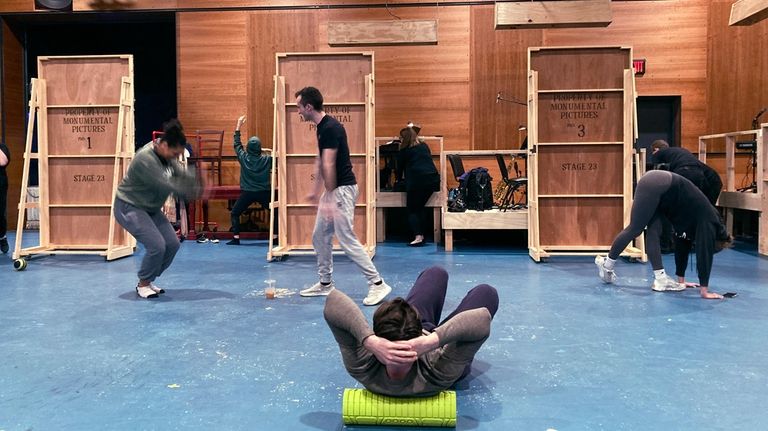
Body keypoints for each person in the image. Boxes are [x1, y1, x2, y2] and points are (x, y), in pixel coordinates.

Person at [324, 266, 498, 396]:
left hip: (419, 334)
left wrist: (369, 340)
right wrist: (432, 341)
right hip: (437, 349)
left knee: (435, 273)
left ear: (378, 335)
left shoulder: (362, 365)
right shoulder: (439, 371)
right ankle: (429, 332)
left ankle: (423, 330)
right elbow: (481, 318)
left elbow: (333, 300)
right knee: (486, 292)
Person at [295, 86, 391, 306]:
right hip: (334, 190)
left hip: (342, 190)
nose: (298, 111)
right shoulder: (322, 128)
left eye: (299, 107)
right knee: (320, 236)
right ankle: (325, 284)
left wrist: (328, 195)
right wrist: (314, 191)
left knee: (346, 238)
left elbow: (329, 164)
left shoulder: (330, 128)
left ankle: (377, 284)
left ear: (309, 107)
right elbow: (321, 161)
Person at [595, 170, 732, 299]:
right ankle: (607, 265)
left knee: (654, 231)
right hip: (657, 183)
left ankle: (661, 279)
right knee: (636, 228)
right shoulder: (709, 221)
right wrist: (704, 291)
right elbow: (704, 254)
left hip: (662, 191)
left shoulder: (698, 223)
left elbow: (682, 242)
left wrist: (681, 281)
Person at [113, 119, 202, 299]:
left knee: (172, 244)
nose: (176, 158)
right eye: (175, 153)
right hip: (129, 206)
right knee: (157, 246)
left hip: (150, 207)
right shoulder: (146, 158)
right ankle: (143, 283)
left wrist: (198, 180)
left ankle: (149, 278)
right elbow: (166, 185)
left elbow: (182, 174)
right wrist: (195, 189)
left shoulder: (167, 156)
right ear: (164, 145)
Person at [227, 115, 272, 245]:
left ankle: (236, 238)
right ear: (259, 148)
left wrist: (238, 125)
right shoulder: (267, 159)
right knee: (275, 212)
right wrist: (267, 151)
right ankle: (275, 237)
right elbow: (277, 156)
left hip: (247, 193)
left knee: (235, 213)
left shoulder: (243, 157)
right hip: (264, 192)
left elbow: (237, 144)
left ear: (248, 148)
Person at [396, 125, 440, 246]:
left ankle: (418, 236)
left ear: (403, 139)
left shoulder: (404, 150)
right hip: (433, 180)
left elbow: (399, 169)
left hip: (417, 182)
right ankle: (423, 234)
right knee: (420, 207)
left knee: (412, 209)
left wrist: (398, 181)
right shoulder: (424, 146)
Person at [651, 140, 722, 206]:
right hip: (712, 177)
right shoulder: (679, 152)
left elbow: (656, 173)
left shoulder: (658, 153)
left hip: (686, 172)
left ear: (656, 149)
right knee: (703, 205)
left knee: (682, 204)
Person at [0, 141, 9, 254]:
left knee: (0, 214)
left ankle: (2, 237)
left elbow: (3, 161)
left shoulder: (2, 147)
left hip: (0, 186)